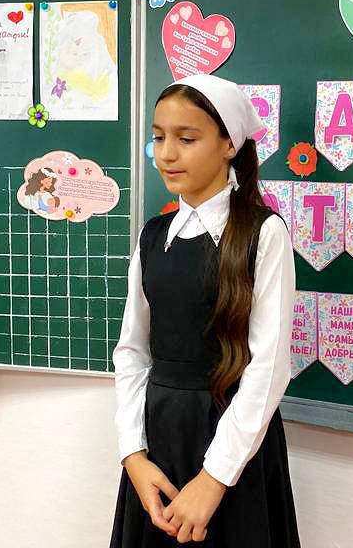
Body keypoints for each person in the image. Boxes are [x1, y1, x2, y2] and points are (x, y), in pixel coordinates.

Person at [111, 74, 300, 547]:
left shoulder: (263, 233)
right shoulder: (152, 236)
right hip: (157, 445)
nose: (166, 154)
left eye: (186, 138)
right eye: (158, 137)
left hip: (233, 449)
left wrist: (215, 478)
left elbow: (269, 367)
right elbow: (132, 352)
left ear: (228, 144)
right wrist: (133, 454)